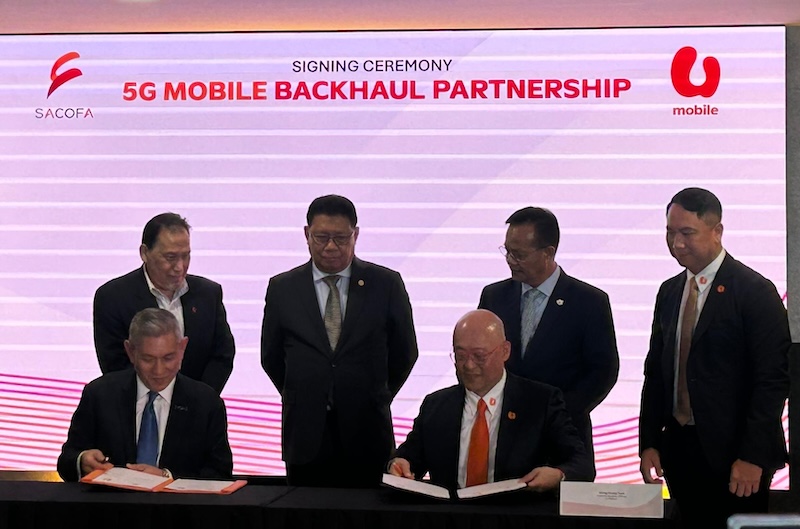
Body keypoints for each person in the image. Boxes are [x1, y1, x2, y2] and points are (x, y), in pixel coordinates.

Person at [639, 188, 790, 529]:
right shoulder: (669, 291)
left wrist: (752, 456)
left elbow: (772, 379)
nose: (676, 243)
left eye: (687, 233)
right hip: (680, 450)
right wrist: (649, 442)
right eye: (670, 232)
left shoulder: (754, 291)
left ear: (717, 231)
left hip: (736, 455)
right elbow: (657, 372)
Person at [261, 195, 418, 487]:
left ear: (355, 234)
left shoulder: (386, 284)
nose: (331, 246)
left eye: (341, 238)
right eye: (321, 237)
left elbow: (405, 353)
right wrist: (307, 392)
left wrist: (375, 394)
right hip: (305, 437)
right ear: (307, 234)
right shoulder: (283, 288)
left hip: (368, 434)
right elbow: (271, 356)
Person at [478, 206, 618, 475]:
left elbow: (603, 371)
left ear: (548, 252)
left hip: (563, 441)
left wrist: (555, 415)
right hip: (502, 438)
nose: (510, 260)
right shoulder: (494, 297)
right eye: (507, 251)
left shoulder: (589, 302)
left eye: (519, 254)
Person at [388, 309, 593, 491]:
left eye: (479, 356)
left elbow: (580, 463)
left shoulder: (540, 402)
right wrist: (399, 464)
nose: (468, 366)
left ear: (505, 351)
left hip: (516, 514)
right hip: (451, 514)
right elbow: (409, 458)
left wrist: (557, 475)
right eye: (460, 356)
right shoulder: (436, 405)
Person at [58, 308, 233, 482]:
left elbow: (220, 473)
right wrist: (82, 460)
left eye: (168, 358)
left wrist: (166, 477)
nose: (159, 370)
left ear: (182, 348)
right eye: (148, 359)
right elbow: (67, 461)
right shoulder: (100, 394)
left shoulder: (206, 403)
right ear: (130, 351)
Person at [93, 212, 235, 394]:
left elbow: (222, 355)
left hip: (197, 406)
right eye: (170, 257)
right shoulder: (113, 298)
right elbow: (115, 365)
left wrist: (198, 400)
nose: (180, 267)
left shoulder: (208, 294)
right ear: (145, 253)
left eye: (186, 256)